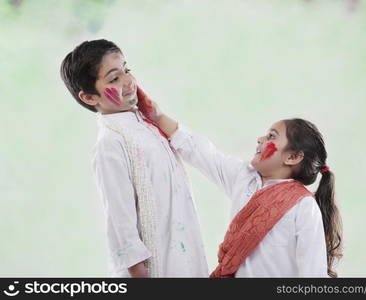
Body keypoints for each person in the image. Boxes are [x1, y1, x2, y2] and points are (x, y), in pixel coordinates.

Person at [144, 99, 343, 277]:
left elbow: (312, 274)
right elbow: (201, 151)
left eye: (271, 137)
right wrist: (158, 116)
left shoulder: (303, 206)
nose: (260, 139)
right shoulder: (244, 178)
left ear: (292, 157)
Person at [60, 39, 208, 277]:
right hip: (156, 268)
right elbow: (120, 223)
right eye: (114, 79)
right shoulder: (111, 143)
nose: (128, 81)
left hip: (184, 255)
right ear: (89, 97)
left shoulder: (147, 124)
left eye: (126, 70)